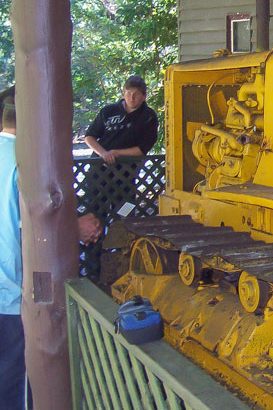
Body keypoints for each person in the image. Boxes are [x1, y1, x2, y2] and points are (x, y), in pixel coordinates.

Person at [0, 94, 101, 410]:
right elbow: (35, 227)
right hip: (13, 296)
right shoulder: (24, 163)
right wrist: (77, 227)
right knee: (18, 387)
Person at [82, 76, 158, 220]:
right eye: (128, 93)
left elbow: (142, 149)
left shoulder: (148, 117)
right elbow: (89, 137)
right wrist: (103, 153)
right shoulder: (108, 111)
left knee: (125, 214)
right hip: (99, 172)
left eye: (136, 94)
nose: (132, 97)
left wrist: (116, 153)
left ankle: (122, 241)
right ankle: (96, 242)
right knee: (94, 214)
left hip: (125, 176)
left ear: (144, 96)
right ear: (123, 94)